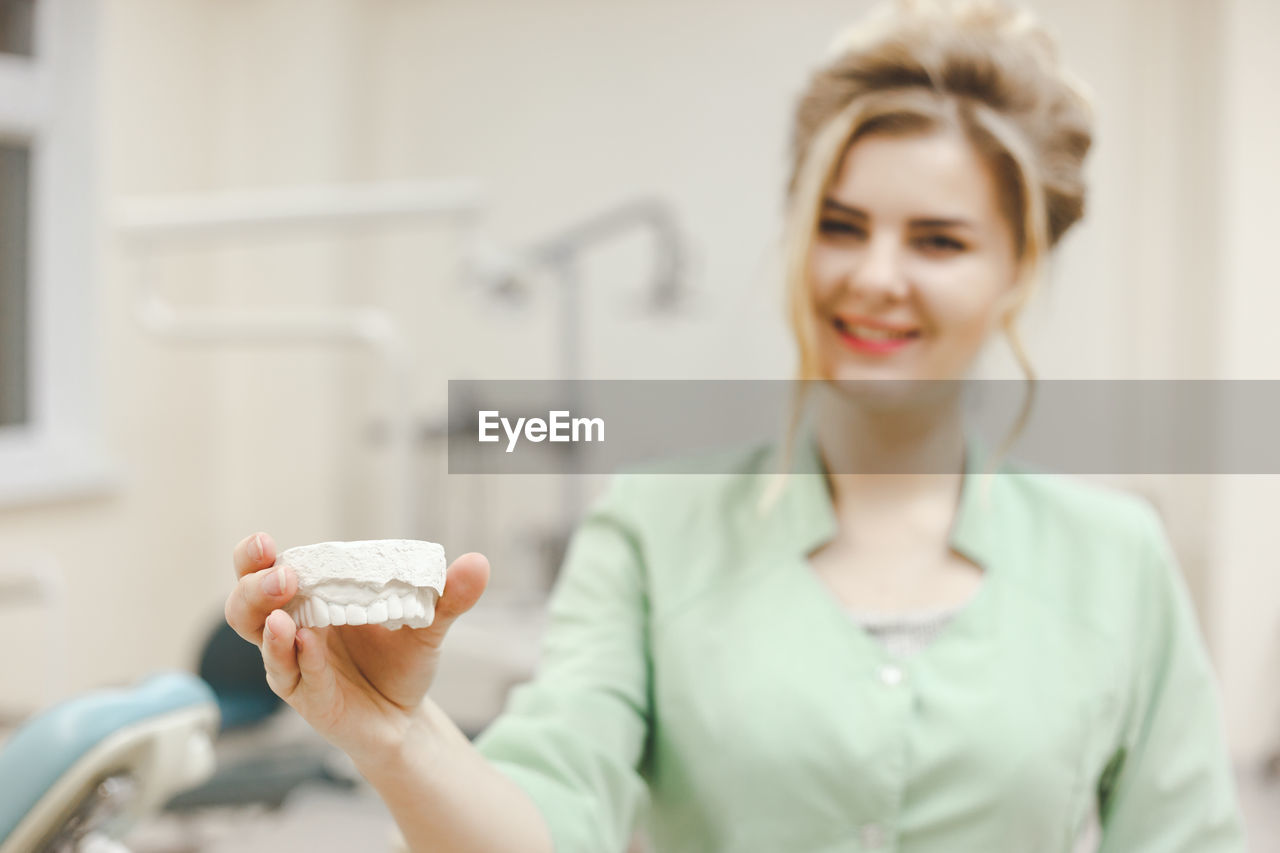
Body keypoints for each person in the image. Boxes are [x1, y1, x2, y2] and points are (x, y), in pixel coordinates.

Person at [223, 1, 1247, 850]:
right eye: (838, 226)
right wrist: (396, 737)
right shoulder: (655, 528)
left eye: (937, 240)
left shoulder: (1116, 561)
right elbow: (545, 820)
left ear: (1017, 267)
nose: (873, 276)